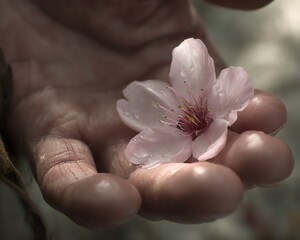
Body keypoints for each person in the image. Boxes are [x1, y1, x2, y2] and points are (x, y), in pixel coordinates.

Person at [0, 0, 294, 229]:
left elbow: (219, 117)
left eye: (195, 115)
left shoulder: (211, 120)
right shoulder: (180, 119)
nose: (192, 117)